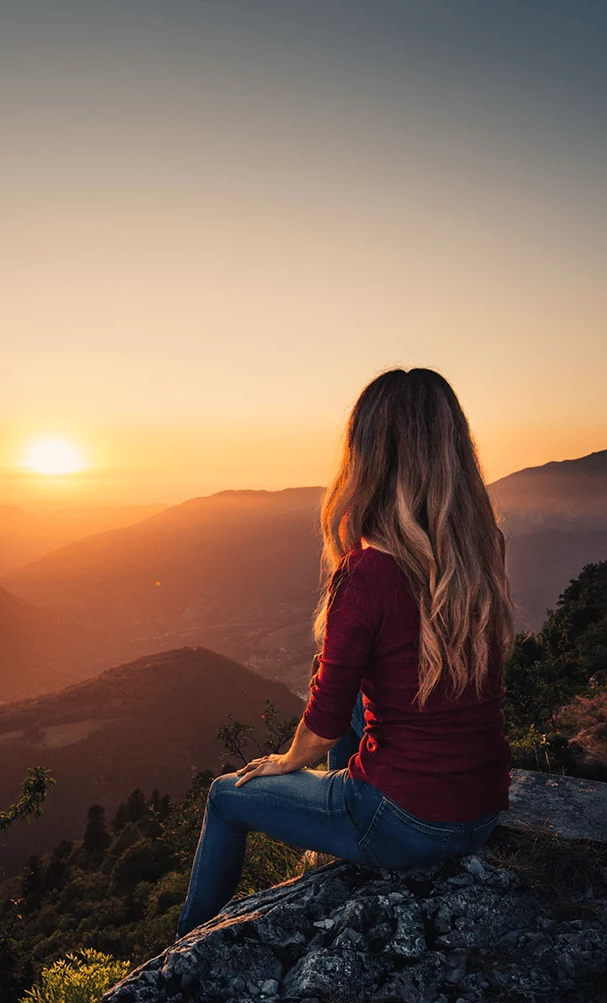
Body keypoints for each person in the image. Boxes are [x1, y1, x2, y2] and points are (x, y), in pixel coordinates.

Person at [177, 367, 516, 939]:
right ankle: (339, 850)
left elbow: (325, 717)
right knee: (368, 703)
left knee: (225, 797)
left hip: (406, 822)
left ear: (368, 456)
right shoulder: (481, 554)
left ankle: (176, 955)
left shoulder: (368, 571)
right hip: (482, 809)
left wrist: (288, 762)